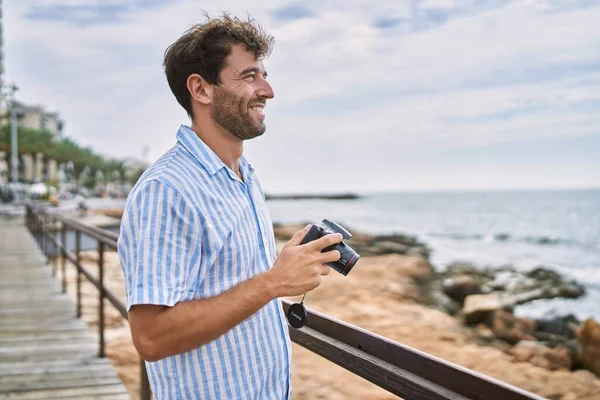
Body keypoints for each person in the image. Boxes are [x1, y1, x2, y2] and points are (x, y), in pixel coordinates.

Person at [117, 13, 342, 400]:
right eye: (249, 76)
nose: (267, 90)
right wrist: (273, 283)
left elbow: (235, 286)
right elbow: (151, 337)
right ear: (201, 89)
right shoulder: (166, 190)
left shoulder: (244, 176)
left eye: (264, 75)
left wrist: (280, 271)